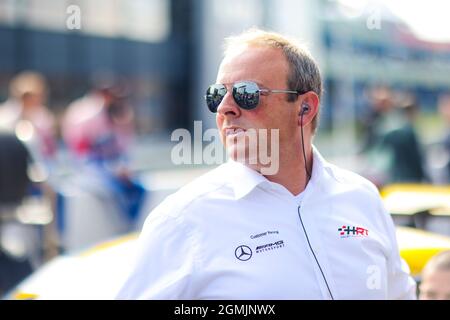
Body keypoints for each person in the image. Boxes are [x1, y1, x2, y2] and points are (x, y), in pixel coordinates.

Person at [117, 29, 416, 299]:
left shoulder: (362, 197)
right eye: (217, 95)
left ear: (305, 108)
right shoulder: (182, 220)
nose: (224, 108)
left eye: (247, 94)